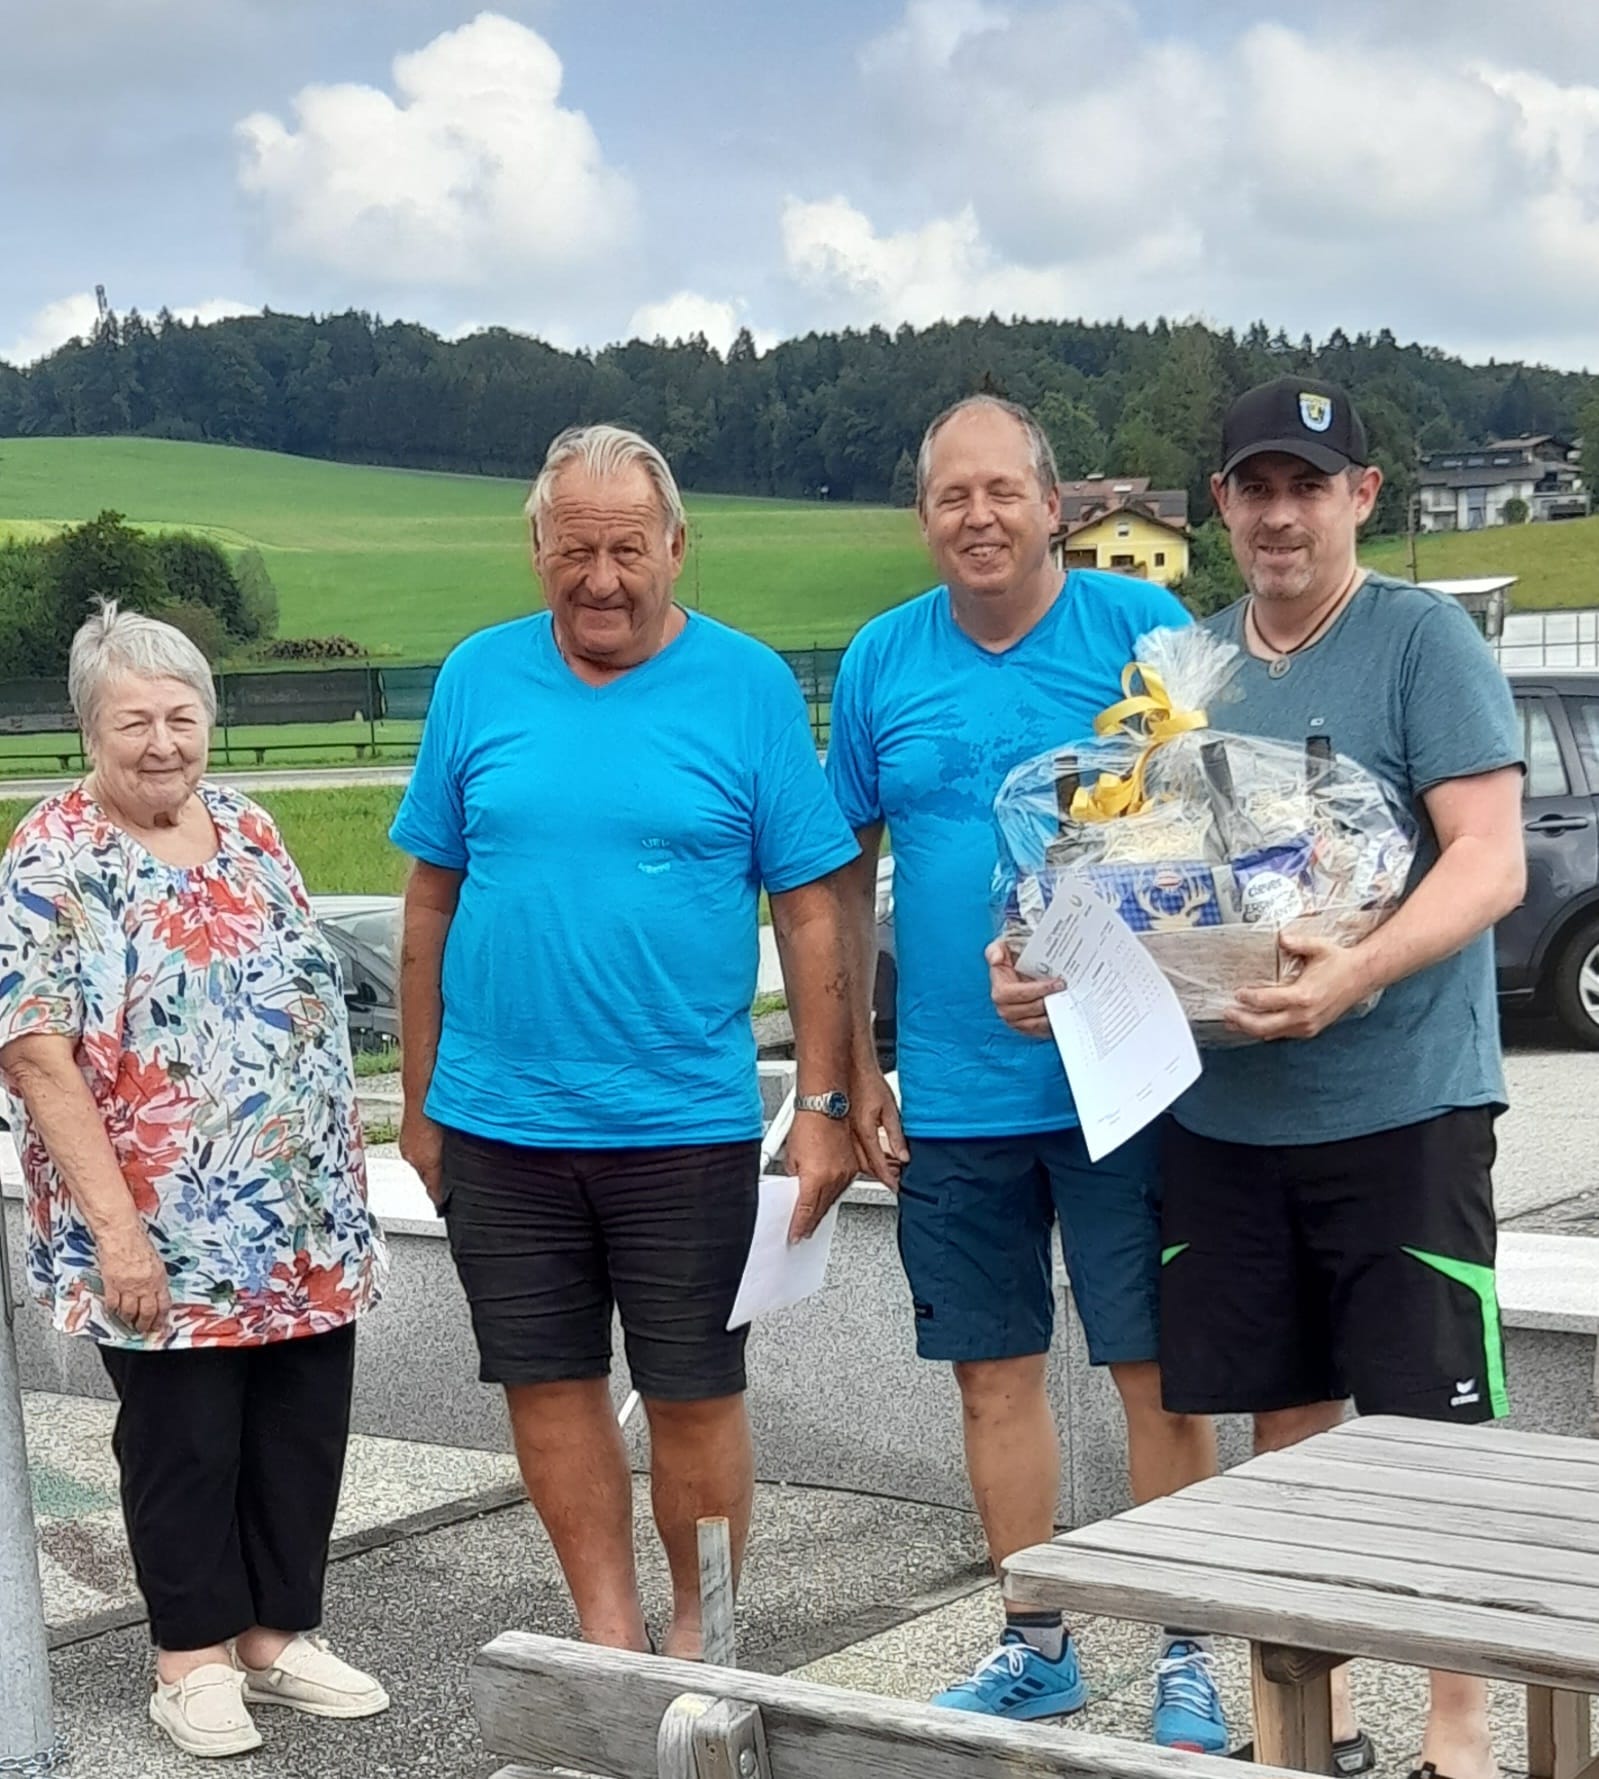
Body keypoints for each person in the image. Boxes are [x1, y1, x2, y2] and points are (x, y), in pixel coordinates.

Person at [991, 375, 1525, 1779]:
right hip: (1227, 1118)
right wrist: (1044, 965)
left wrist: (1355, 969)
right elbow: (1128, 868)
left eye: (1309, 486)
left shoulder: (1420, 643)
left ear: (1361, 496)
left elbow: (1487, 861)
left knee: (1429, 1431)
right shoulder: (1184, 669)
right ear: (1220, 503)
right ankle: (1315, 1726)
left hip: (1403, 1106)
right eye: (1256, 488)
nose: (1281, 515)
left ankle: (1459, 1732)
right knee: (1283, 1425)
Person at [391, 422, 859, 1660]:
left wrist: (823, 1105)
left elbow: (811, 907)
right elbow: (430, 901)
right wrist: (420, 1101)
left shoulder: (748, 686)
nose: (602, 579)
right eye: (577, 549)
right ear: (537, 548)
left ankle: (703, 1645)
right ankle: (609, 1645)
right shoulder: (476, 678)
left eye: (629, 550)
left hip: (682, 1123)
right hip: (498, 1121)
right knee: (547, 1388)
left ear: (676, 548)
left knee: (697, 1397)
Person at [828, 395, 1224, 1747]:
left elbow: (1205, 837)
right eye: (952, 494)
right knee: (989, 1372)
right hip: (953, 1093)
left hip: (1125, 1082)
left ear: (1055, 506)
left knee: (1156, 1370)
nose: (979, 515)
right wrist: (851, 1066)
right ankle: (1035, 1640)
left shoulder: (1138, 631)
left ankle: (1185, 1647)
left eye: (1003, 490)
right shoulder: (881, 660)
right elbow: (843, 876)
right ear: (922, 517)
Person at [0, 604, 390, 1760]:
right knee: (187, 1440)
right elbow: (34, 1050)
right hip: (159, 1220)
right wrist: (117, 1231)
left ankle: (274, 1636)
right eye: (136, 722)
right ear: (89, 730)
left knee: (300, 1426)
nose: (164, 742)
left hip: (298, 1214)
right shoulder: (55, 854)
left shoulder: (250, 825)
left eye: (183, 716)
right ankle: (191, 1660)